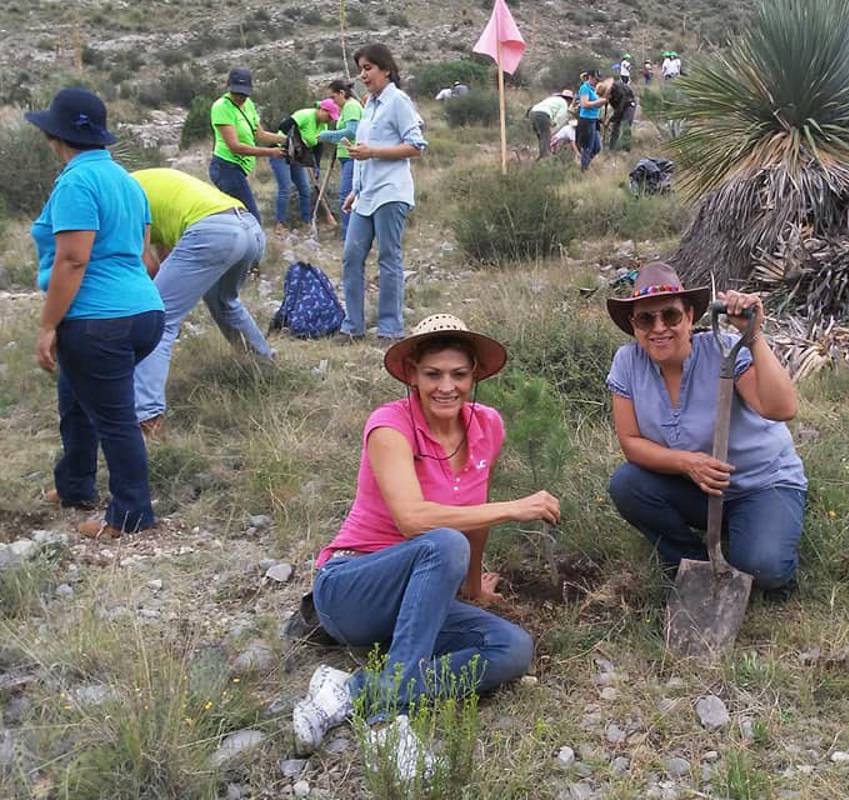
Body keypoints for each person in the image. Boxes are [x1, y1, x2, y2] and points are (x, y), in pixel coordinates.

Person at [293, 313, 555, 760]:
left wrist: (472, 588)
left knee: (512, 649)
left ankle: (352, 691)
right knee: (443, 540)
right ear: (412, 373)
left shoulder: (487, 425)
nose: (446, 387)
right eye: (433, 375)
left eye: (459, 374)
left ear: (475, 374)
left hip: (419, 597)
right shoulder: (389, 426)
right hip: (350, 586)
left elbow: (473, 514)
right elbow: (414, 520)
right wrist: (517, 508)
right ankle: (386, 723)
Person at [604, 262, 807, 591]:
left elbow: (782, 408)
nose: (659, 328)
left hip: (762, 484)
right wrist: (688, 462)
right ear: (633, 324)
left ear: (689, 316)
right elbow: (630, 442)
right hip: (699, 488)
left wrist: (752, 336)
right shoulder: (627, 362)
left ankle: (763, 536)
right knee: (627, 483)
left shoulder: (724, 349)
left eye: (670, 316)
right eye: (646, 318)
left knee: (764, 569)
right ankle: (694, 562)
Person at [27, 89, 165, 538]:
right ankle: (75, 484)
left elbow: (72, 260)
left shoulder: (75, 183)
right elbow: (145, 255)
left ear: (55, 136)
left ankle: (131, 515)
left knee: (113, 418)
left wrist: (49, 325)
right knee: (76, 397)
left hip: (99, 320)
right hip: (144, 311)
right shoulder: (128, 181)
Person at [131, 168, 272, 436]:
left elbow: (145, 265)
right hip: (249, 228)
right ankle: (263, 366)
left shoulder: (123, 196)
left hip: (213, 233)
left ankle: (146, 417)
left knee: (157, 319)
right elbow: (169, 256)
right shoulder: (148, 182)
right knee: (224, 301)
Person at [341, 43, 427, 342]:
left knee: (388, 259)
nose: (363, 75)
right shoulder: (369, 105)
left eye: (368, 68)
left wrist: (373, 152)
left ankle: (390, 328)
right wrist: (354, 191)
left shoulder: (398, 102)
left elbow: (415, 146)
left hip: (391, 192)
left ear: (386, 69)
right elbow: (362, 154)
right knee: (351, 257)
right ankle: (353, 326)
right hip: (365, 196)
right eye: (360, 69)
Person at [208, 68, 286, 222]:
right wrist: (271, 153)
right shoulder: (221, 107)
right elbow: (235, 147)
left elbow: (260, 134)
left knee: (238, 219)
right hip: (226, 169)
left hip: (240, 170)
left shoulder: (249, 105)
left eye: (244, 94)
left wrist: (286, 140)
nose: (241, 97)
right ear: (229, 87)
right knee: (252, 218)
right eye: (237, 93)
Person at [271, 98, 341, 233]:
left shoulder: (323, 126)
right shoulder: (305, 115)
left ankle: (306, 222)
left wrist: (316, 166)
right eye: (329, 116)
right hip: (281, 152)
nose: (330, 120)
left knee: (304, 188)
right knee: (285, 187)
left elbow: (318, 147)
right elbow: (284, 127)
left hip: (298, 156)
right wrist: (295, 142)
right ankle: (280, 223)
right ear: (322, 110)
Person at [318, 80, 364, 239]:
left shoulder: (351, 107)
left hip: (353, 157)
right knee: (349, 196)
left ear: (342, 93)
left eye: (333, 96)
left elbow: (352, 131)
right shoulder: (346, 108)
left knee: (346, 196)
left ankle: (349, 236)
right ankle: (352, 235)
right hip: (347, 158)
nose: (332, 101)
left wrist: (328, 136)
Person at [529, 89, 574, 160]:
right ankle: (546, 158)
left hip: (532, 113)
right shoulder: (564, 103)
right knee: (546, 136)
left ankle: (541, 156)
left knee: (541, 137)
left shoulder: (554, 99)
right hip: (542, 114)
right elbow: (559, 118)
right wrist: (553, 128)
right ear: (569, 100)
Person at [575, 71, 605, 171]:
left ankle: (585, 164)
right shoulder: (585, 88)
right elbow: (584, 104)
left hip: (594, 120)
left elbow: (596, 104)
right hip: (586, 120)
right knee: (588, 147)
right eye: (596, 80)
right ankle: (584, 169)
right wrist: (599, 101)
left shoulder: (594, 89)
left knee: (597, 147)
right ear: (590, 77)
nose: (597, 82)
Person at [602, 77, 637, 152]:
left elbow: (620, 108)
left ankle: (626, 149)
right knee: (615, 127)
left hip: (629, 104)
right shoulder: (607, 91)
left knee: (625, 124)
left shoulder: (619, 90)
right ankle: (612, 148)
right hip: (619, 106)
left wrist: (609, 120)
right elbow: (613, 107)